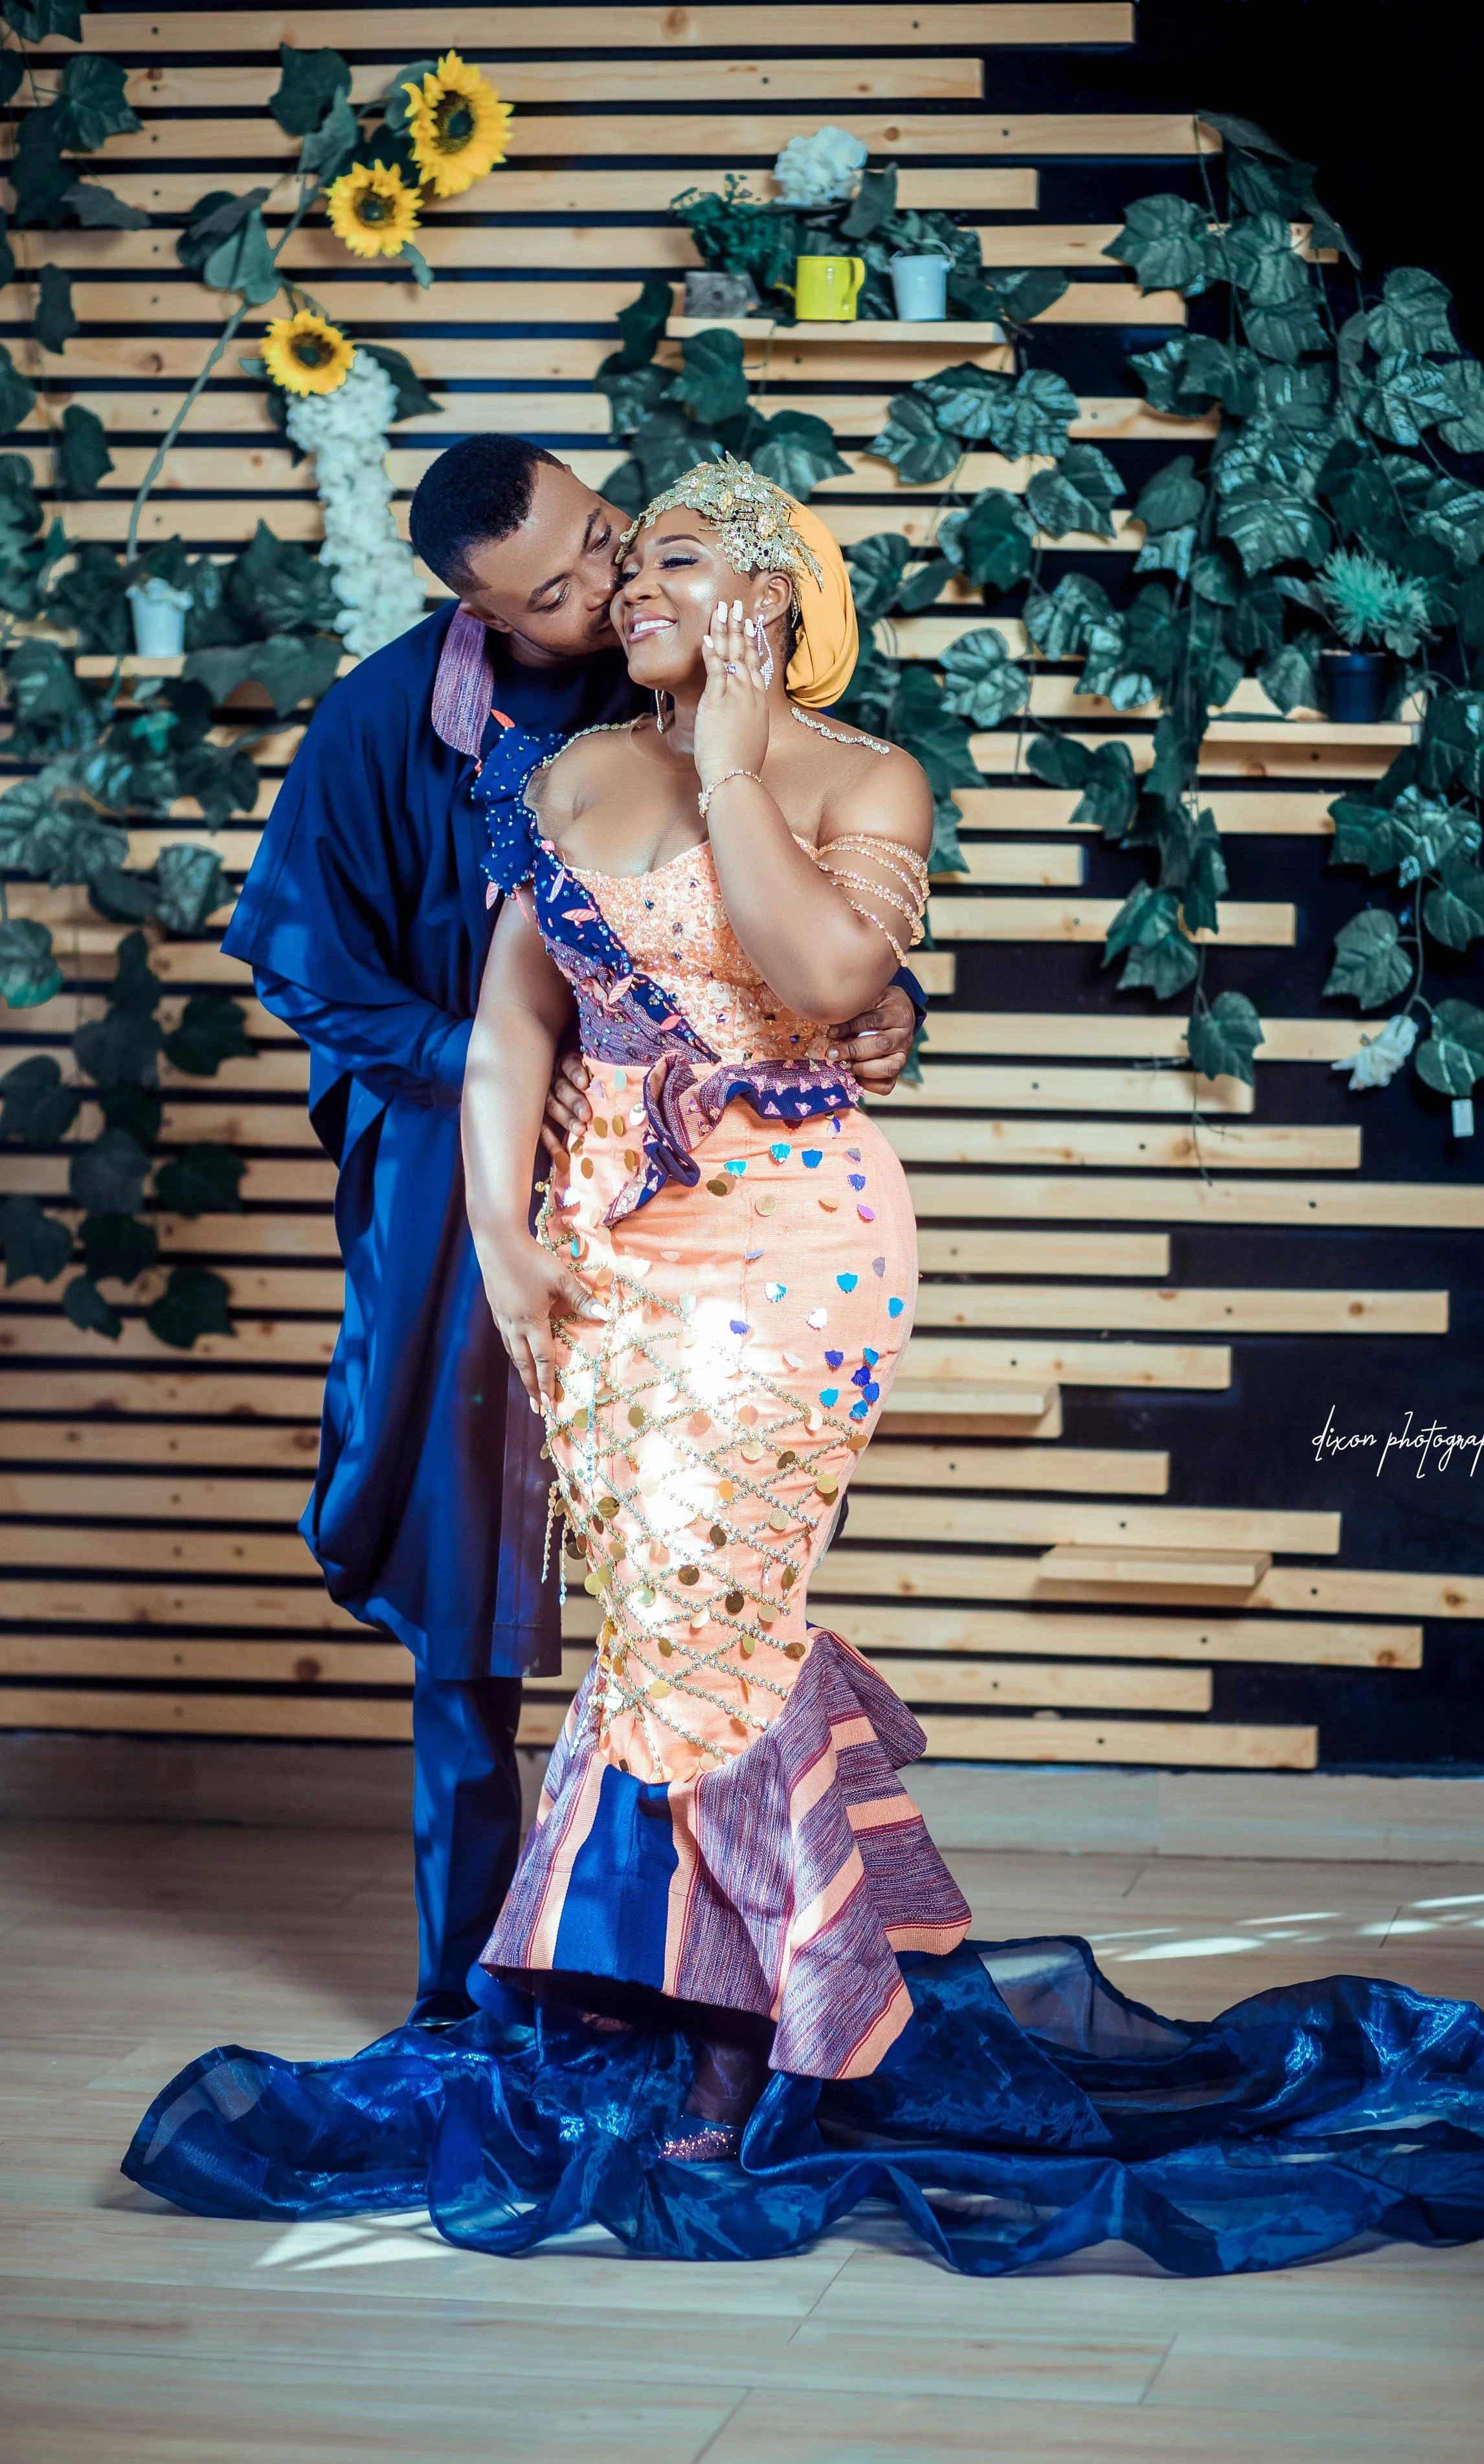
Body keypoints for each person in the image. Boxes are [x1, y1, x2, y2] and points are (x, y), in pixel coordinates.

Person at [126, 463, 1484, 2275]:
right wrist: (506, 1239)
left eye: (662, 552)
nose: (622, 580)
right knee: (667, 1632)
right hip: (602, 1264)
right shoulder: (558, 768)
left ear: (769, 594)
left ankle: (725, 2035)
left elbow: (823, 978)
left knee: (698, 1623)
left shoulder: (863, 770)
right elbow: (512, 1015)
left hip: (791, 1255)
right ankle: (718, 2012)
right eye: (607, 562)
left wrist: (739, 760)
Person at [219, 437, 923, 2029]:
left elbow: (814, 921)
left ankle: (719, 1984)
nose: (608, 588)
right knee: (473, 1593)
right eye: (556, 593)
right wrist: (504, 1110)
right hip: (478, 1190)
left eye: (615, 541)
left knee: (692, 1597)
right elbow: (314, 970)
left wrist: (876, 1011)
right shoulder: (383, 722)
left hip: (724, 1221)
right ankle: (475, 1993)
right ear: (478, 613)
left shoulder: (696, 655)